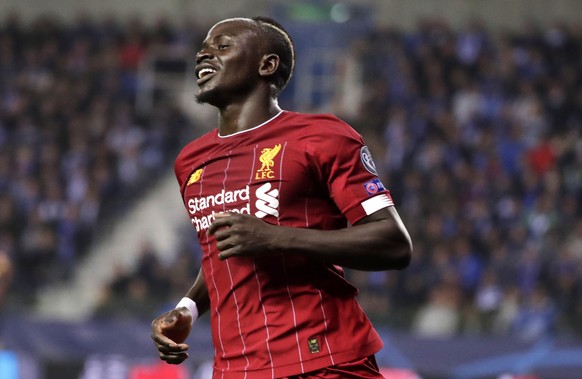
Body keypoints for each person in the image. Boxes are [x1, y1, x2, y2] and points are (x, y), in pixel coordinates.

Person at [150, 16, 413, 379]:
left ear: (267, 65)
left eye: (221, 46)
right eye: (203, 49)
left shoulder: (322, 137)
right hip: (236, 369)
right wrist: (189, 308)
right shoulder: (191, 162)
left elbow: (394, 243)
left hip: (325, 360)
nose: (203, 55)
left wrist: (275, 237)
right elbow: (222, 254)